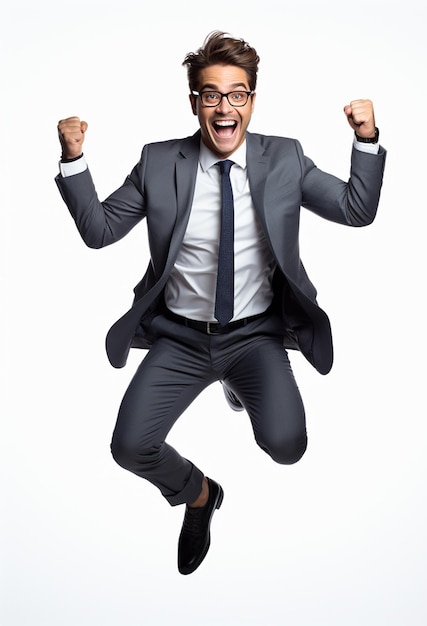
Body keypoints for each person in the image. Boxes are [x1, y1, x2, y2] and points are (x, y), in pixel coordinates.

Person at [56, 31, 386, 575]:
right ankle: (200, 495)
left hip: (254, 336)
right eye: (211, 95)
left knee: (286, 446)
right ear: (195, 103)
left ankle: (237, 384)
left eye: (237, 94)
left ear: (252, 100)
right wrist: (73, 159)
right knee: (129, 447)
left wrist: (367, 137)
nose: (224, 106)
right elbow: (99, 230)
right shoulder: (160, 163)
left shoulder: (285, 159)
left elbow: (356, 209)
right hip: (180, 339)